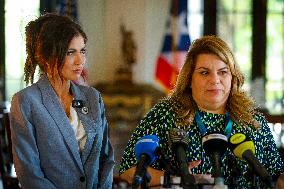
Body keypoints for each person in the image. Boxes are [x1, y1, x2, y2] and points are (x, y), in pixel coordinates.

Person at [119, 35, 284, 188]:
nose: (215, 80)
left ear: (233, 77)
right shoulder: (164, 114)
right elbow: (129, 171)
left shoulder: (253, 120)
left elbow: (276, 177)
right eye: (204, 72)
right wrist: (177, 178)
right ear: (190, 79)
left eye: (223, 72)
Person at [9, 13, 114, 189]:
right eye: (70, 52)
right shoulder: (25, 101)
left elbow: (107, 159)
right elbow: (29, 174)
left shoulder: (93, 98)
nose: (80, 61)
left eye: (82, 51)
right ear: (48, 56)